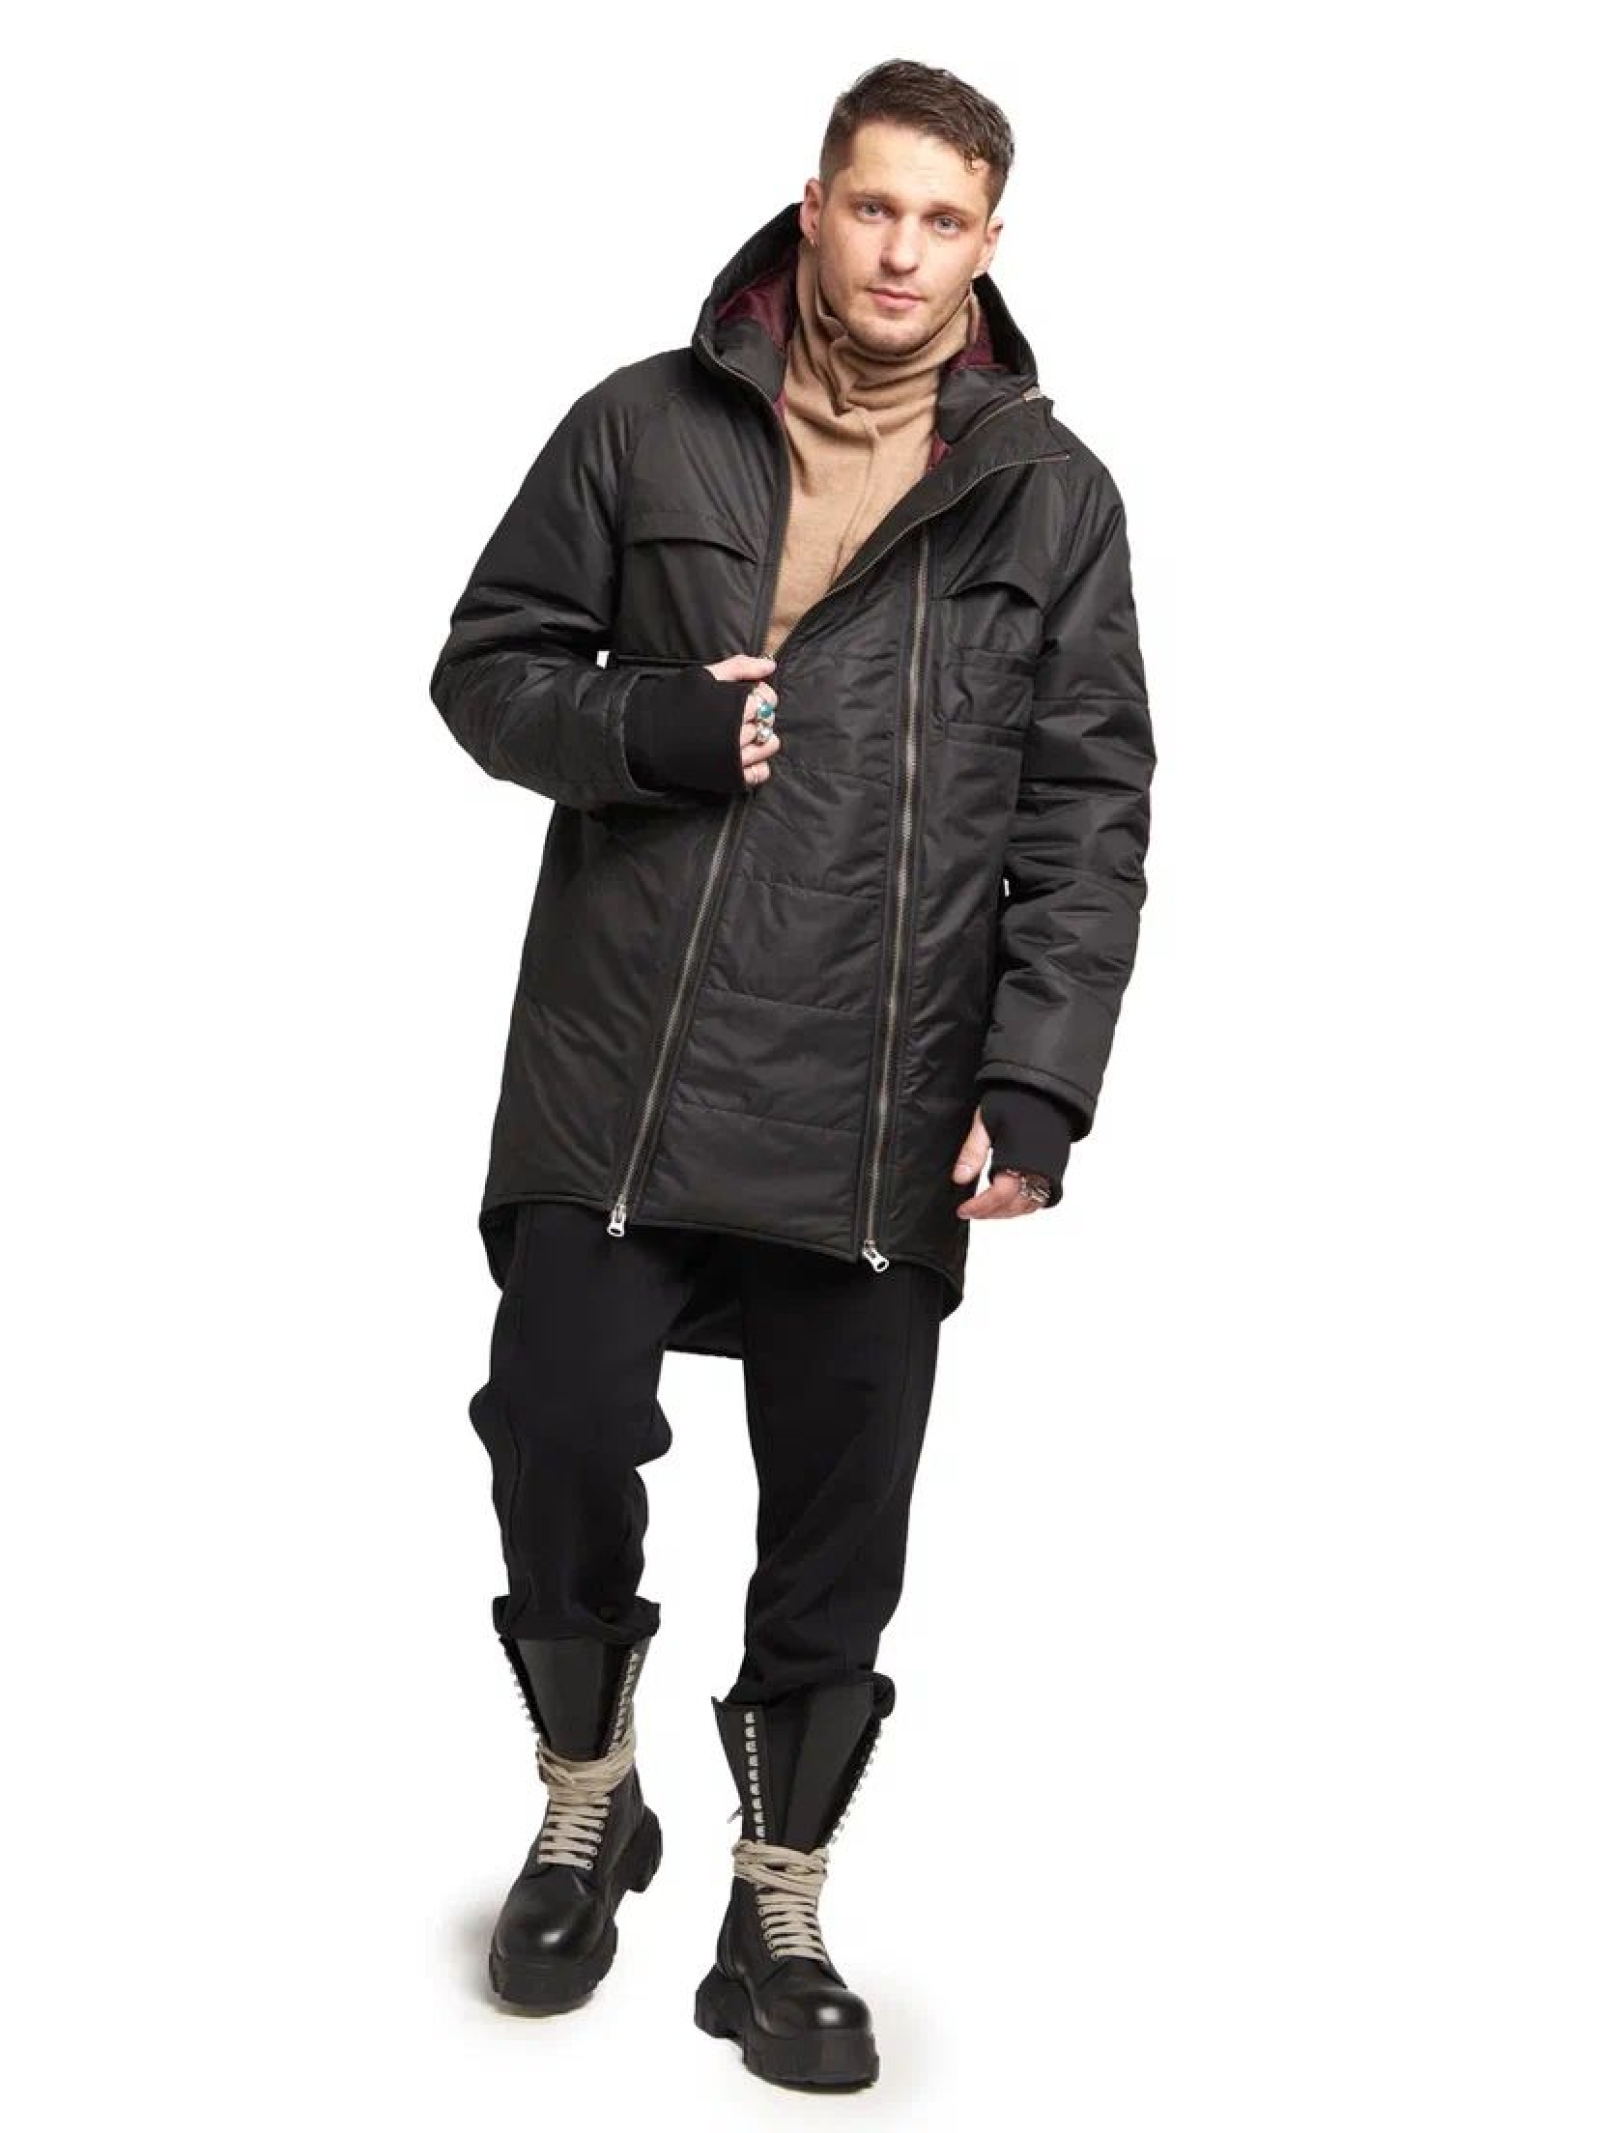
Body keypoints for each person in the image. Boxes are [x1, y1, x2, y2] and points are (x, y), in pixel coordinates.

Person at [427, 58, 1155, 2092]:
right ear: (815, 206)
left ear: (988, 244)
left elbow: (1086, 810)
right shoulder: (638, 423)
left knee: (842, 1511)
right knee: (555, 1418)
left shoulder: (1051, 495)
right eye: (876, 207)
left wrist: (1038, 1080)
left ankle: (778, 1901)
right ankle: (589, 1797)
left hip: (885, 1081)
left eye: (946, 220)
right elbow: (485, 667)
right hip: (622, 1056)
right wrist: (644, 726)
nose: (904, 252)